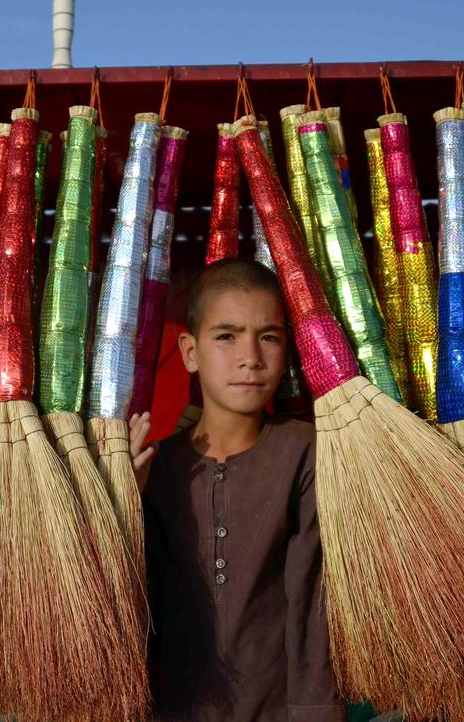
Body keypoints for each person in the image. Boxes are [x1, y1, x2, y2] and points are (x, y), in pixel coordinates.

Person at [129, 257, 346, 722]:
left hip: (277, 708)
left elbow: (314, 605)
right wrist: (121, 503)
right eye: (226, 336)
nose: (250, 356)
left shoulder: (305, 453)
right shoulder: (157, 465)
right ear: (190, 351)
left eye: (268, 336)